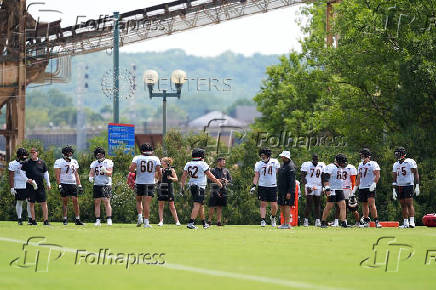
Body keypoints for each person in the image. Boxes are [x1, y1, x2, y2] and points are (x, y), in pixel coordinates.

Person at [180, 148, 222, 229]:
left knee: (201, 205)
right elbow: (210, 175)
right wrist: (218, 182)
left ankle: (204, 223)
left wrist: (182, 187)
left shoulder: (188, 163)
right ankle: (191, 222)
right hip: (200, 186)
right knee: (197, 204)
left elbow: (184, 176)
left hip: (192, 185)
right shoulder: (203, 164)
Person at [129, 143, 161, 228]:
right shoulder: (155, 158)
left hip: (139, 182)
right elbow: (159, 171)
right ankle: (146, 222)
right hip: (150, 182)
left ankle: (140, 217)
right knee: (146, 203)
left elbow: (131, 169)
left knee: (138, 201)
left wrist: (137, 169)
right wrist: (159, 180)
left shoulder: (137, 158)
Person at [250, 148, 280, 227]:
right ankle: (262, 220)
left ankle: (273, 217)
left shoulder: (275, 161)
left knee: (274, 205)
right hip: (262, 186)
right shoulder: (258, 164)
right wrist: (253, 186)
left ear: (268, 155)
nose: (262, 157)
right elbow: (256, 176)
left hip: (273, 186)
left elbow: (277, 172)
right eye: (261, 155)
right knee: (263, 204)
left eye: (263, 155)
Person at [54, 145, 83, 225]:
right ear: (64, 154)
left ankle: (77, 219)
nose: (70, 154)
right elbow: (57, 175)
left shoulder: (74, 161)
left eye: (71, 153)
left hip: (72, 183)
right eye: (69, 153)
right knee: (65, 201)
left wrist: (79, 185)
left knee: (75, 201)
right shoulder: (59, 162)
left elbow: (76, 174)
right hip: (64, 183)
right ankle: (65, 218)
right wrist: (59, 185)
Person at [21, 147, 51, 226]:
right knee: (31, 203)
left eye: (34, 152)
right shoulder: (27, 162)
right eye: (31, 153)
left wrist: (48, 183)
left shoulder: (42, 162)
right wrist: (27, 180)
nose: (32, 154)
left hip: (40, 186)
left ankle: (46, 221)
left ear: (37, 153)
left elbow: (46, 173)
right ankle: (33, 221)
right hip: (30, 186)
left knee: (44, 203)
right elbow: (22, 172)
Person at [392, 147, 420, 228]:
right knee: (403, 205)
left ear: (403, 154)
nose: (397, 155)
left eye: (398, 153)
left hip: (408, 185)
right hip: (399, 186)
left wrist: (417, 185)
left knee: (409, 204)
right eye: (396, 154)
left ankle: (412, 221)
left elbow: (416, 173)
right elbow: (394, 178)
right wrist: (394, 189)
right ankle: (405, 222)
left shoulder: (410, 162)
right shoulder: (395, 164)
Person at [320, 154, 349, 228]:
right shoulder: (331, 166)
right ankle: (323, 222)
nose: (344, 164)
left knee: (343, 205)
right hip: (332, 189)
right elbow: (326, 178)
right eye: (343, 162)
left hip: (339, 188)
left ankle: (343, 222)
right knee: (329, 206)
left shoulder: (339, 167)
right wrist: (327, 188)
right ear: (338, 161)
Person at [356, 148, 381, 228]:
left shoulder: (373, 164)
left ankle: (376, 221)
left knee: (371, 204)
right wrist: (355, 188)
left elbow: (377, 175)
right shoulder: (360, 164)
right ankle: (366, 221)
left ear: (366, 155)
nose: (361, 156)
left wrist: (374, 183)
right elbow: (359, 177)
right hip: (362, 187)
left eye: (362, 155)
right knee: (364, 205)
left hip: (370, 187)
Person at [89, 147, 113, 226]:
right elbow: (92, 172)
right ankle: (98, 220)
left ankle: (109, 219)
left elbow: (110, 173)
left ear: (103, 154)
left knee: (106, 201)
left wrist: (105, 171)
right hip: (97, 184)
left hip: (106, 184)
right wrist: (91, 177)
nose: (98, 156)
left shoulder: (108, 162)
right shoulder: (94, 163)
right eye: (97, 155)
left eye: (100, 154)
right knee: (97, 202)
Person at [8, 148, 32, 225]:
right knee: (19, 202)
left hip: (27, 184)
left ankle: (30, 218)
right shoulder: (12, 163)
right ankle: (19, 218)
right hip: (18, 185)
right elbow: (11, 176)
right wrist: (12, 187)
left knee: (29, 202)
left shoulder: (28, 162)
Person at [300, 154, 326, 227]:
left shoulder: (321, 165)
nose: (315, 161)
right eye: (314, 159)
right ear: (312, 159)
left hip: (318, 185)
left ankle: (317, 220)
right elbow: (303, 176)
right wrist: (306, 185)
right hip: (309, 185)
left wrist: (323, 187)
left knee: (317, 203)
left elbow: (323, 177)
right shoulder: (307, 165)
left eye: (316, 159)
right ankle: (306, 220)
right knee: (309, 203)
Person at [333, 158, 359, 226]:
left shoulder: (351, 168)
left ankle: (357, 222)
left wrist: (353, 192)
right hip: (340, 188)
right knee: (339, 206)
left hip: (348, 189)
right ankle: (337, 222)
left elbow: (353, 181)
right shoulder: (337, 168)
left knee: (351, 207)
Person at [208, 157, 232, 226]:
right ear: (218, 162)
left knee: (220, 206)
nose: (224, 163)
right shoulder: (212, 170)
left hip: (223, 190)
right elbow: (209, 180)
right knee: (212, 206)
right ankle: (209, 221)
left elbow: (230, 180)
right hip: (214, 190)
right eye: (223, 161)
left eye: (224, 162)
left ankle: (218, 222)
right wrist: (218, 180)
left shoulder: (226, 170)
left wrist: (226, 181)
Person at [157, 157, 180, 226]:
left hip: (169, 188)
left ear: (167, 163)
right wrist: (157, 181)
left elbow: (176, 179)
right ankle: (161, 221)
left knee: (172, 205)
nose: (161, 163)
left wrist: (171, 178)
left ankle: (177, 221)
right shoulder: (160, 170)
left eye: (162, 161)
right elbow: (156, 178)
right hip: (161, 188)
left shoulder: (171, 170)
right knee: (161, 205)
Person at [277, 151, 296, 229]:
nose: (282, 158)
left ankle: (287, 224)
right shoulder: (283, 165)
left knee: (287, 206)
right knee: (282, 206)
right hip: (281, 190)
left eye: (283, 157)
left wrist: (289, 192)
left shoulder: (291, 166)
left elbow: (292, 181)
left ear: (286, 157)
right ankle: (284, 223)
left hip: (287, 191)